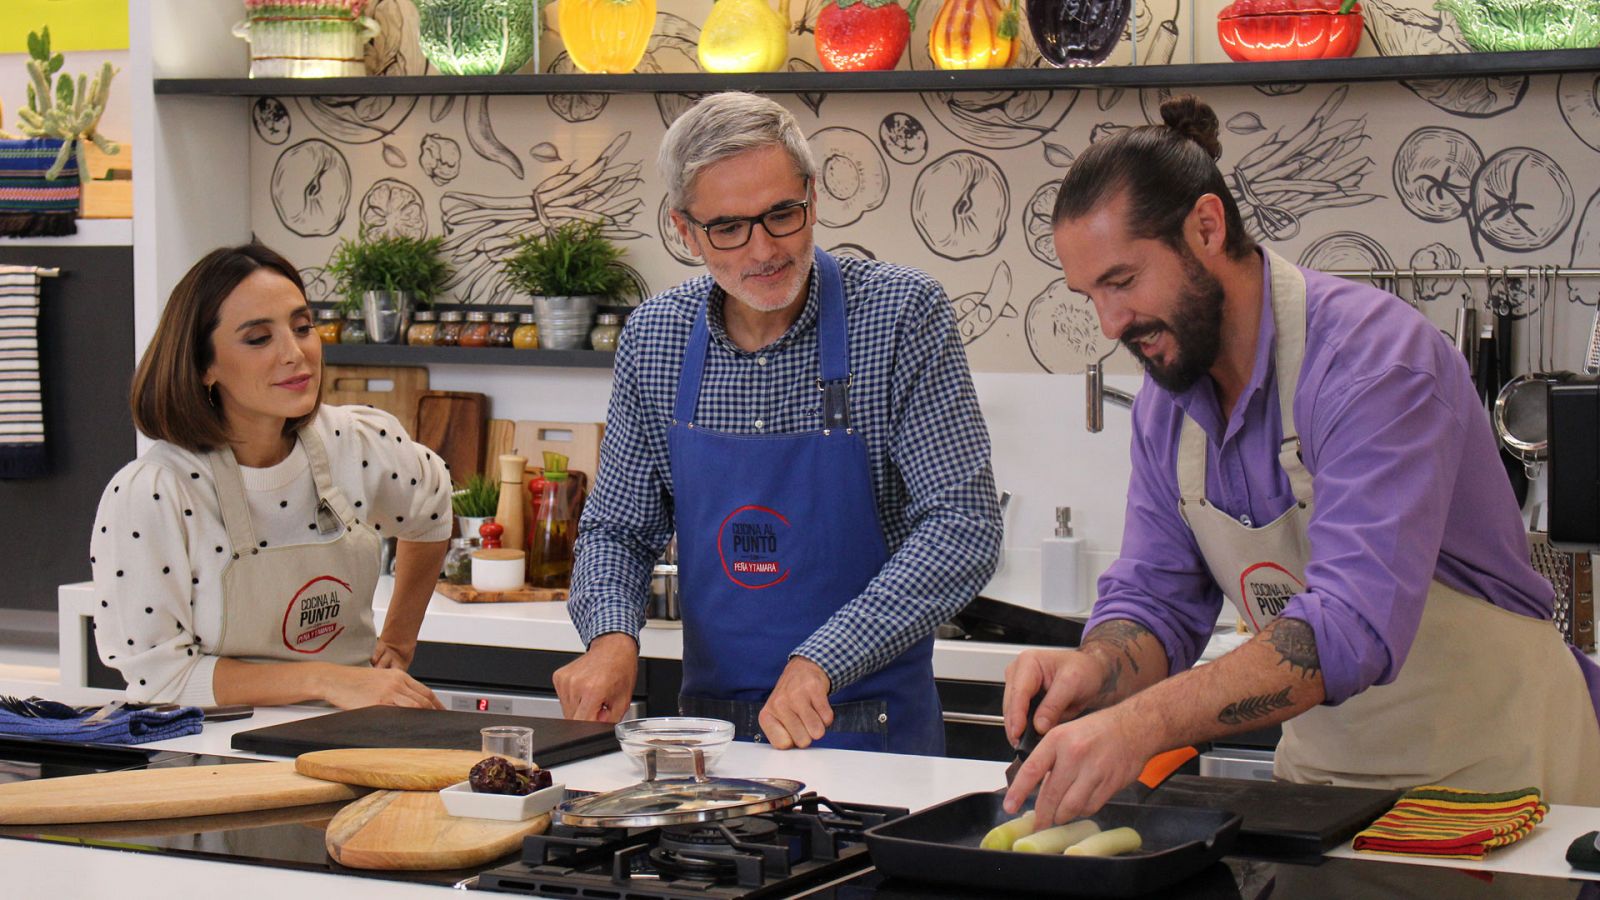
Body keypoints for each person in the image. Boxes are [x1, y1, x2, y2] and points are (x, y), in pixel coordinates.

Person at [1004, 95, 1600, 825]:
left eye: (1123, 282)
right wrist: (1095, 671)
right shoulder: (1169, 403)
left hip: (1498, 784)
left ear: (1207, 227)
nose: (1110, 323)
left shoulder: (1375, 366)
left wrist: (1142, 724)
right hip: (1324, 792)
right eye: (1089, 293)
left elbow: (1352, 625)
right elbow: (1157, 600)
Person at [555, 92, 1002, 755]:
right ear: (685, 230)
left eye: (781, 216)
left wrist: (823, 658)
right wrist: (611, 637)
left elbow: (964, 528)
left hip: (877, 740)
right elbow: (619, 528)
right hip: (713, 748)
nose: (762, 249)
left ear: (813, 200)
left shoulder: (903, 315)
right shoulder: (655, 339)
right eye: (727, 228)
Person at [90, 244, 451, 709]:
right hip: (217, 752)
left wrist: (398, 642)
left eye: (303, 328)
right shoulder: (154, 493)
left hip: (358, 735)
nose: (295, 353)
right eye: (259, 339)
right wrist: (327, 681)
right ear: (204, 367)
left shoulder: (354, 441)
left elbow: (431, 507)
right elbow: (162, 678)